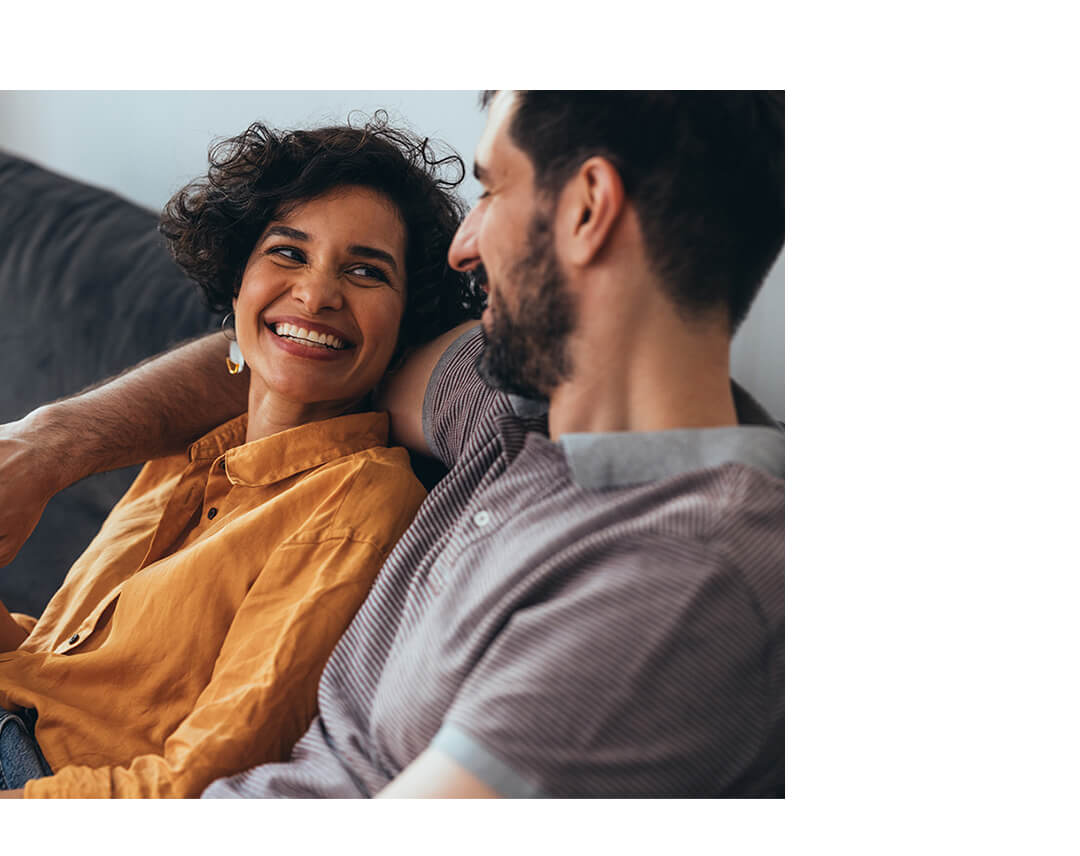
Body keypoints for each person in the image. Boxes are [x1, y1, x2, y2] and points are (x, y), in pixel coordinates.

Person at [0, 91, 784, 797]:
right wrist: (48, 445)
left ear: (587, 209)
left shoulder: (674, 580)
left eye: (493, 189)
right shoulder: (500, 404)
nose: (464, 246)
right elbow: (285, 356)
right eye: (287, 252)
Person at [0, 118, 481, 797]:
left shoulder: (359, 506)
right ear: (237, 280)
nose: (316, 294)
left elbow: (197, 780)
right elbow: (55, 668)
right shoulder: (189, 452)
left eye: (365, 271)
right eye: (288, 253)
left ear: (408, 322)